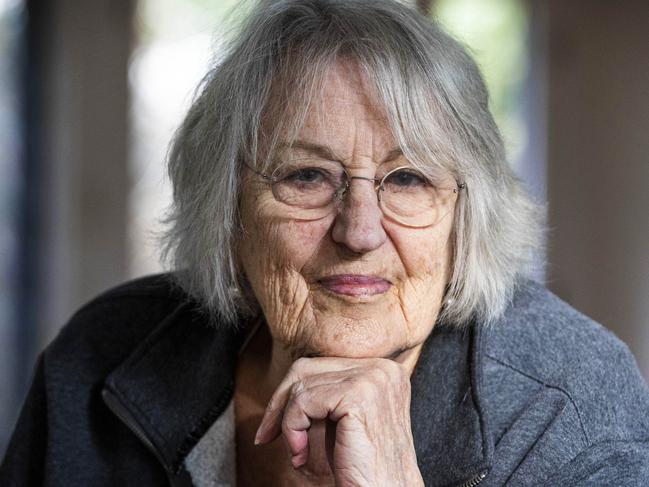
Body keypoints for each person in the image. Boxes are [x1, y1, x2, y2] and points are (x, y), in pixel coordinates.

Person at [2, 0, 649, 485]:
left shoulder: (564, 402)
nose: (360, 230)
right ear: (226, 208)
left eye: (407, 178)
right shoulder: (97, 361)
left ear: (464, 216)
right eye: (306, 176)